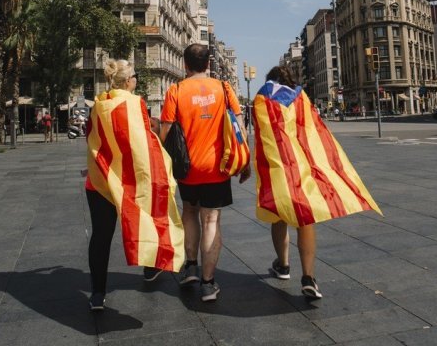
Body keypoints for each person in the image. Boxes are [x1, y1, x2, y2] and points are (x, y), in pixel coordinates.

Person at [252, 66, 382, 300]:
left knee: (279, 214)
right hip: (300, 166)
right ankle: (308, 277)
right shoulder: (300, 96)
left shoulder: (261, 96)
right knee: (305, 217)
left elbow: (261, 133)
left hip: (277, 166)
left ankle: (283, 266)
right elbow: (312, 131)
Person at [85, 59, 184, 311]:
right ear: (129, 81)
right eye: (135, 76)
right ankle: (151, 268)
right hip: (129, 179)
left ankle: (97, 293)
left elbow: (93, 137)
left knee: (100, 236)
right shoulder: (134, 103)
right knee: (150, 218)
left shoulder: (99, 104)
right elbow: (143, 143)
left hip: (99, 180)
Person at [160, 44, 246, 302]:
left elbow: (165, 132)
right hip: (217, 167)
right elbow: (239, 126)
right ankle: (208, 284)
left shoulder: (175, 90)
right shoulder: (223, 88)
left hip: (187, 169)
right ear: (208, 63)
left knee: (189, 211)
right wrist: (246, 161)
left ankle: (191, 266)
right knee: (211, 221)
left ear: (185, 64)